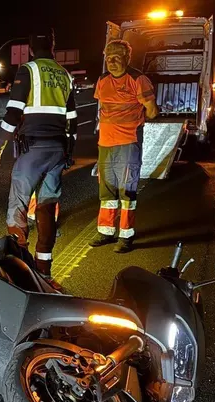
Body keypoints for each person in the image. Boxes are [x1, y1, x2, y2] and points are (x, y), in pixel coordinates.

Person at [0, 31, 77, 279]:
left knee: (17, 206)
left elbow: (13, 113)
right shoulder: (64, 74)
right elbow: (72, 118)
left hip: (33, 149)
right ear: (52, 46)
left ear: (30, 49)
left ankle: (21, 270)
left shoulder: (28, 70)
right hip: (58, 150)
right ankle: (44, 270)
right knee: (47, 207)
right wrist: (68, 152)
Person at [90, 40, 158, 253]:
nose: (111, 62)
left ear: (127, 58)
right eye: (108, 58)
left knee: (127, 190)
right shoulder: (102, 80)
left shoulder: (138, 80)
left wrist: (135, 124)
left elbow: (152, 111)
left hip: (128, 144)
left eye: (117, 57)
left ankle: (126, 236)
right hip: (105, 144)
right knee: (107, 190)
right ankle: (106, 232)